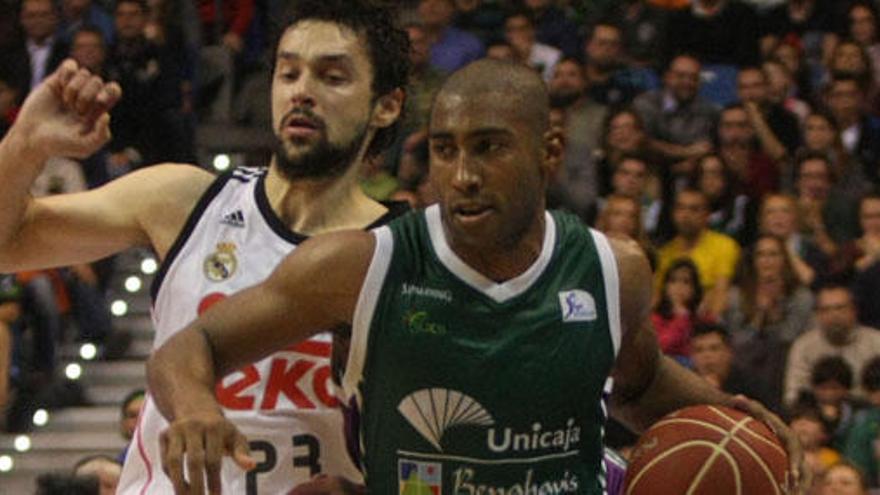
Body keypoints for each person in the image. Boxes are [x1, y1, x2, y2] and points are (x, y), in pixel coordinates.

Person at [146, 59, 805, 494]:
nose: (461, 175)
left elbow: (638, 383)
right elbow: (188, 347)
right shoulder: (360, 263)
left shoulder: (613, 267)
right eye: (444, 149)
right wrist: (198, 404)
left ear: (549, 152)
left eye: (488, 147)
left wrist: (726, 412)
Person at [0, 0, 410, 492]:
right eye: (288, 73)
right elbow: (10, 243)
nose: (302, 92)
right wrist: (25, 143)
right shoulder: (185, 199)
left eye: (332, 77)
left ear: (386, 104)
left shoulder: (404, 253)